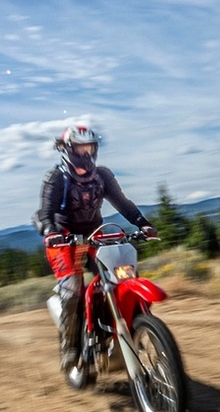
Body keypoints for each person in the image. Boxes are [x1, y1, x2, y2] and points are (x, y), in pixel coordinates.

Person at [34, 125, 156, 370]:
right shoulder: (57, 178)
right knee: (72, 287)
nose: (86, 154)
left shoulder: (102, 176)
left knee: (121, 274)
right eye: (81, 148)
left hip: (94, 235)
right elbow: (45, 212)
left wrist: (142, 223)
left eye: (90, 148)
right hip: (65, 239)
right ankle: (70, 349)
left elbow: (122, 202)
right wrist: (51, 232)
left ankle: (127, 327)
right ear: (69, 149)